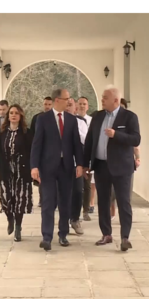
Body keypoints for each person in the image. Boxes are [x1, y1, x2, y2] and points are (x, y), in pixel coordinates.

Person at [83, 86, 140, 252]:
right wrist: (85, 163)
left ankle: (125, 237)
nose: (102, 100)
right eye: (102, 97)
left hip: (122, 167)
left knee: (123, 202)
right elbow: (89, 141)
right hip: (101, 165)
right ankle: (106, 234)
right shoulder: (97, 116)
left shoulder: (129, 117)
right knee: (103, 201)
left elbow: (136, 139)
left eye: (105, 98)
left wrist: (116, 135)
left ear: (115, 100)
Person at [31, 88, 83, 251]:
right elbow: (37, 143)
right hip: (47, 167)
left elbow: (76, 144)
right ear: (57, 100)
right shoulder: (43, 119)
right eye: (67, 99)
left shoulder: (71, 120)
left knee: (65, 202)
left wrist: (79, 164)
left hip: (66, 166)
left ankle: (63, 234)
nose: (69, 101)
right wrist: (34, 166)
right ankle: (47, 236)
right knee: (48, 202)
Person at [0, 104, 33, 242]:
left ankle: (18, 227)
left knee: (20, 199)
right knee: (5, 197)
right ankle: (10, 218)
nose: (13, 115)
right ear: (8, 116)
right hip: (5, 170)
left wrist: (34, 169)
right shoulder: (1, 133)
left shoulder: (27, 133)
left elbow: (32, 152)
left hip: (22, 171)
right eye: (11, 113)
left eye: (16, 113)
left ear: (21, 116)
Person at [66, 98, 88, 235]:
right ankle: (64, 221)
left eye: (70, 105)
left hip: (76, 164)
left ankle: (75, 218)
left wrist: (73, 132)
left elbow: (85, 140)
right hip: (61, 164)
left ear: (75, 108)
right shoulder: (57, 122)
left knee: (78, 192)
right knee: (63, 194)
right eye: (66, 105)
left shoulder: (80, 122)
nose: (67, 107)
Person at [30, 96, 53, 207]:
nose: (47, 106)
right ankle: (42, 198)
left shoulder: (56, 118)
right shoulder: (37, 118)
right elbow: (32, 136)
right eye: (45, 104)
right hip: (41, 152)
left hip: (52, 152)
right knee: (41, 177)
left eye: (49, 104)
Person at [77, 97, 93, 220]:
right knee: (77, 186)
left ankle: (86, 210)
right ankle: (75, 211)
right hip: (76, 156)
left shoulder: (92, 121)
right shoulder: (73, 120)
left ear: (87, 106)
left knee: (87, 185)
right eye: (80, 104)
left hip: (88, 155)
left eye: (84, 104)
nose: (82, 106)